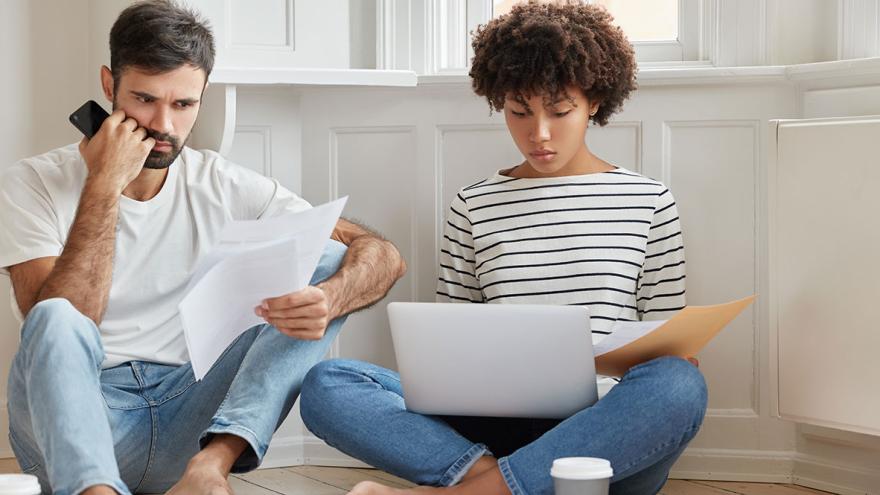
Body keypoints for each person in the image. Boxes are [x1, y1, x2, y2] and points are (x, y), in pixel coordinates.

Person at [299, 3, 707, 495]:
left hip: (603, 436)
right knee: (329, 384)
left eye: (560, 112)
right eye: (519, 111)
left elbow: (669, 343)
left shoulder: (649, 200)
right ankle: (493, 484)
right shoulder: (474, 204)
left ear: (595, 101)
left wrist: (663, 363)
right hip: (492, 427)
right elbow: (450, 346)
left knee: (678, 386)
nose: (539, 134)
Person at [0, 1, 406, 494]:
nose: (163, 125)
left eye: (183, 104)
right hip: (81, 425)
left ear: (202, 95)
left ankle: (210, 468)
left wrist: (330, 299)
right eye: (144, 99)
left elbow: (379, 253)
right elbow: (63, 319)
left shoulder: (224, 184)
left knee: (328, 262)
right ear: (109, 86)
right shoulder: (31, 183)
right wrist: (105, 184)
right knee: (55, 315)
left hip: (188, 415)